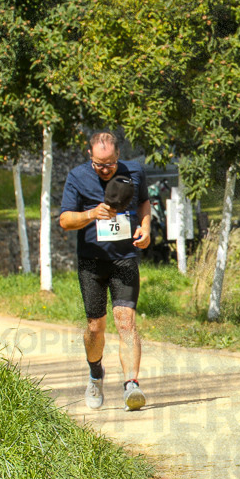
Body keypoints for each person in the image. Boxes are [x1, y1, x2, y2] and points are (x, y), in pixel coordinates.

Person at [58, 131, 151, 411]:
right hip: (92, 262)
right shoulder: (77, 177)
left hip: (124, 258)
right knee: (95, 328)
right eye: (99, 165)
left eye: (110, 163)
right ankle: (95, 373)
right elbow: (64, 219)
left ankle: (131, 386)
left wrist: (145, 228)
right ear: (90, 157)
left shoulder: (135, 171)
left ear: (118, 156)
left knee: (126, 321)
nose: (106, 169)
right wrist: (90, 214)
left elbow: (144, 202)